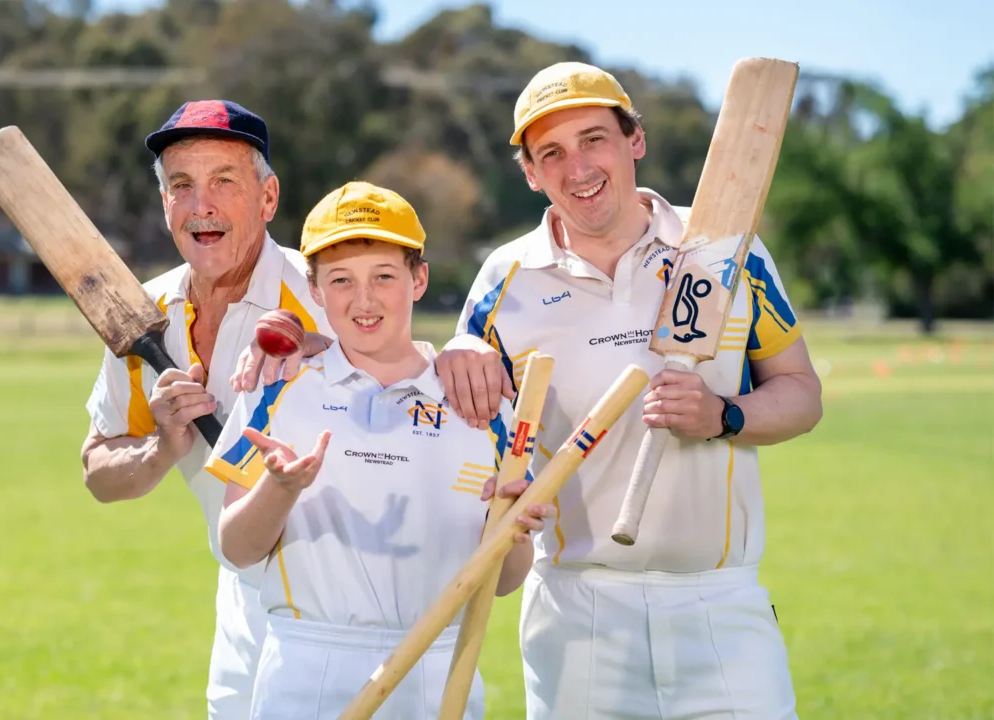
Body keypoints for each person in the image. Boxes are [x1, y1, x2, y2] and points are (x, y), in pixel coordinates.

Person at [437, 62, 825, 718]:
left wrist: (723, 414)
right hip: (578, 613)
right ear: (531, 173)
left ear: (634, 141)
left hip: (719, 607)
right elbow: (466, 425)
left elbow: (801, 392)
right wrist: (456, 354)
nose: (578, 167)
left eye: (594, 139)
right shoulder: (504, 279)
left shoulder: (727, 252)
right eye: (551, 153)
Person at [206, 181, 553, 719]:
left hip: (440, 671)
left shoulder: (478, 404)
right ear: (316, 291)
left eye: (384, 277)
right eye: (341, 280)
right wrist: (280, 489)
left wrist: (511, 530)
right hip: (306, 673)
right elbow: (236, 548)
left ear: (419, 279)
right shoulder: (281, 385)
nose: (363, 301)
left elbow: (504, 582)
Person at [80, 99, 330, 719]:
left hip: (343, 602)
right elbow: (99, 472)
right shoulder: (143, 314)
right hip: (243, 599)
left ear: (268, 198)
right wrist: (163, 447)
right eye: (181, 186)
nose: (201, 206)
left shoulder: (326, 294)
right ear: (165, 203)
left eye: (224, 181)